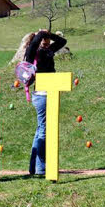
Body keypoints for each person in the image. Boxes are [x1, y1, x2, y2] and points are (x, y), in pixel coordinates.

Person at [23, 29, 68, 176]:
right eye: (44, 39)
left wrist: (49, 34)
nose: (47, 41)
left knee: (40, 130)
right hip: (42, 95)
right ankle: (41, 168)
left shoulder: (49, 50)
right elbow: (35, 43)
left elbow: (62, 42)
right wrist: (41, 33)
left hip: (51, 92)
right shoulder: (32, 52)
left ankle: (34, 167)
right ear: (38, 39)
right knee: (44, 131)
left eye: (48, 39)